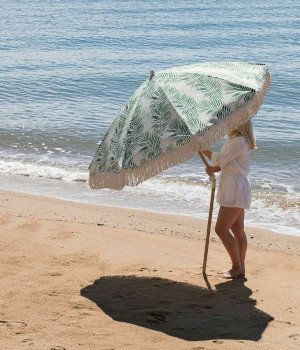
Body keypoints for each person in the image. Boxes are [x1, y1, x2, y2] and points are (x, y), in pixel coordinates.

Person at [200, 119, 256, 279]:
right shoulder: (238, 140)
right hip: (235, 184)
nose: (228, 122)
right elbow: (229, 162)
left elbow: (220, 158)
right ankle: (240, 268)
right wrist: (215, 168)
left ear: (241, 123)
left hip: (235, 187)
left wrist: (202, 149)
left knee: (221, 229)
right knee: (237, 229)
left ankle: (237, 267)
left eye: (234, 119)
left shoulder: (239, 141)